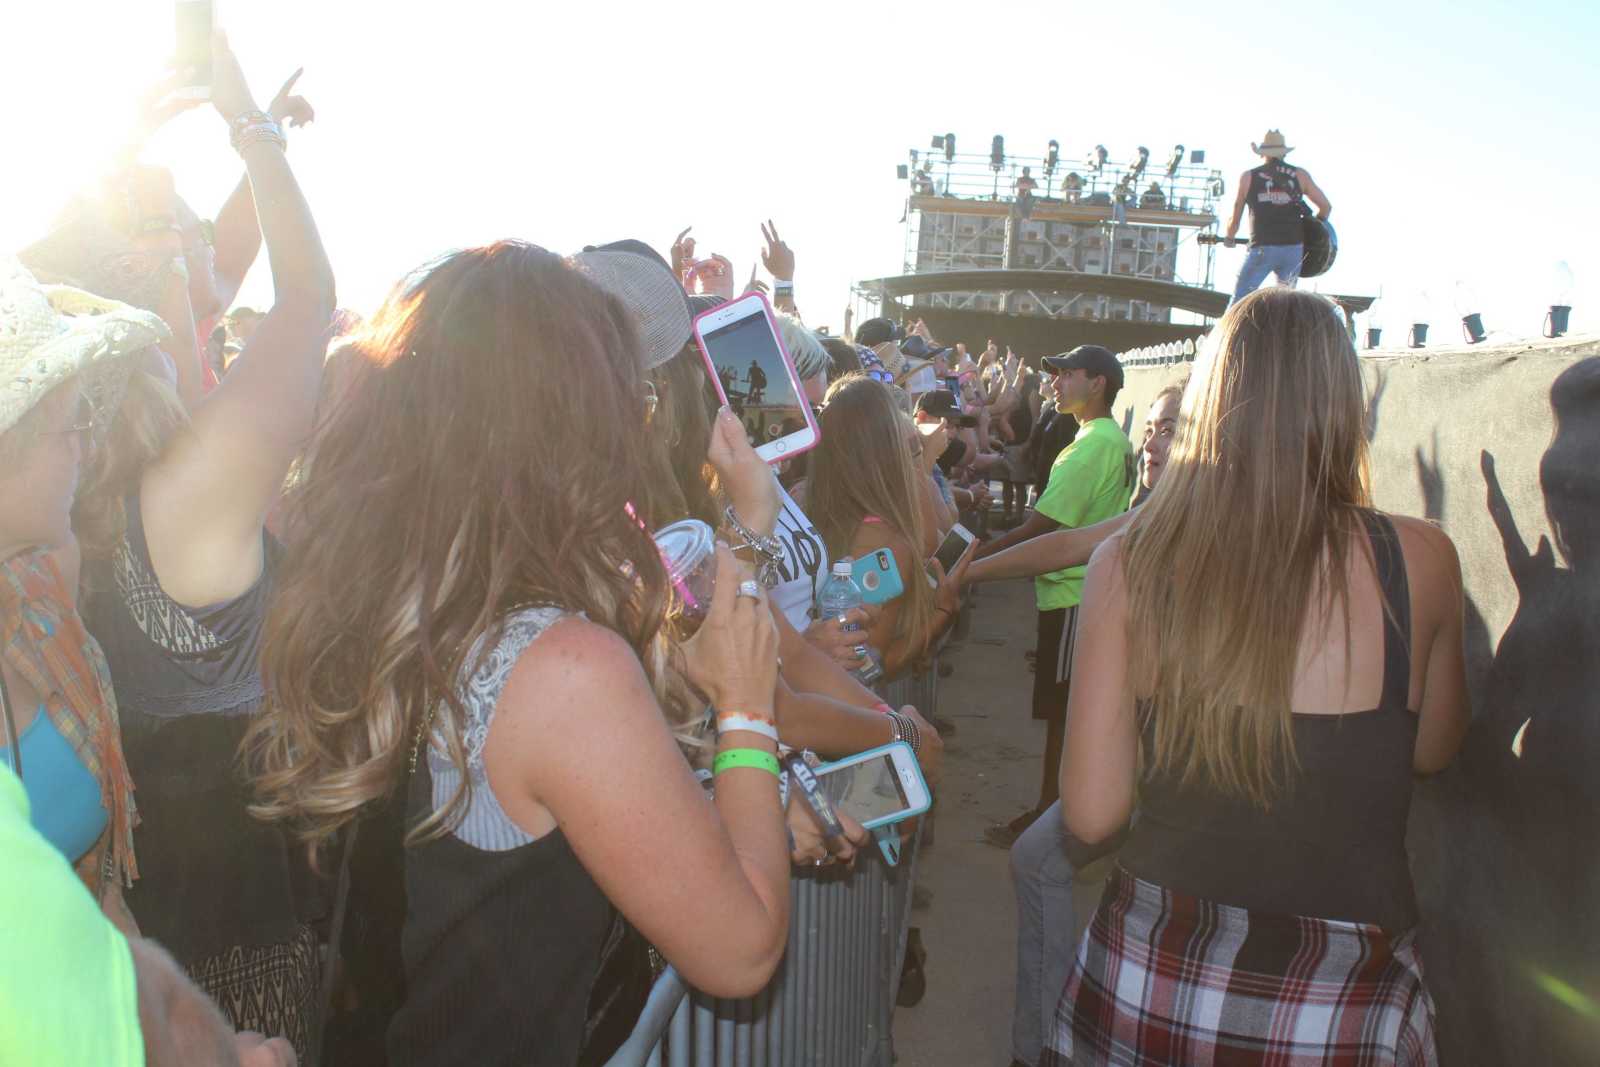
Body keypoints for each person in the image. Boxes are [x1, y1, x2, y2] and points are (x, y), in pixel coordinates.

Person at [246, 241, 805, 1067]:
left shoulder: (382, 598)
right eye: (630, 397)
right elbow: (743, 949)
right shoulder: (561, 667)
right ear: (573, 420)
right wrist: (748, 712)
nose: (638, 421)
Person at [1045, 288, 1467, 1066]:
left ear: (1212, 400)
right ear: (1343, 403)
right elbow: (1432, 748)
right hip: (1344, 1008)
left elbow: (1093, 815)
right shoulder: (1422, 560)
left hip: (1152, 985)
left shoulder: (1131, 562)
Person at [25, 33, 336, 1054]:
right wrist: (248, 125)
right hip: (229, 970)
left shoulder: (73, 488)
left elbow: (165, 268)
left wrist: (128, 151)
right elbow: (304, 299)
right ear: (156, 269)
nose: (210, 244)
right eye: (184, 233)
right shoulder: (188, 483)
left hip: (130, 941)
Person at [0, 261, 292, 1067]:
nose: (87, 443)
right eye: (68, 421)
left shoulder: (43, 597)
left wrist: (190, 1035)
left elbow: (98, 895)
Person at [951, 374, 1185, 1067]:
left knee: (1050, 859)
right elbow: (1065, 546)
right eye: (1154, 426)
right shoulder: (1162, 517)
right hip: (1150, 755)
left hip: (1173, 767)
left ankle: (1047, 1045)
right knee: (1042, 858)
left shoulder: (1186, 522)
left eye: (1173, 429)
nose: (1152, 441)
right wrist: (971, 571)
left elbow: (1063, 541)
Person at [973, 345, 1134, 848]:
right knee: (1066, 713)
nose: (1057, 382)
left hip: (1072, 599)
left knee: (1066, 717)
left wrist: (973, 563)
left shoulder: (1093, 444)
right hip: (1075, 597)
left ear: (1098, 383)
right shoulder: (1101, 438)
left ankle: (1051, 821)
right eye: (1056, 374)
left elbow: (1042, 526)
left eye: (1068, 374)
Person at [803, 375, 959, 681]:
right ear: (890, 446)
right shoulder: (889, 544)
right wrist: (941, 615)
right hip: (848, 705)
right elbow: (871, 665)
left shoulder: (799, 502)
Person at [1224, 128, 1333, 304]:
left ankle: (1232, 323)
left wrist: (1229, 238)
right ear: (1284, 153)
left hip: (1262, 247)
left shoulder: (1248, 177)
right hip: (1293, 248)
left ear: (1263, 153)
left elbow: (1235, 220)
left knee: (1239, 301)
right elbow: (1325, 207)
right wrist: (1314, 231)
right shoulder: (1300, 175)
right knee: (1285, 304)